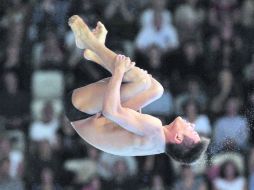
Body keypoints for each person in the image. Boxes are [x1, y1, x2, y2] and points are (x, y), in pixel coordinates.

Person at [65, 15, 210, 164]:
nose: (192, 125)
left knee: (141, 82)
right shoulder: (158, 144)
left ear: (178, 138)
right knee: (155, 89)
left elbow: (111, 111)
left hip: (82, 112)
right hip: (92, 116)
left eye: (193, 131)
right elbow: (120, 123)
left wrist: (119, 72)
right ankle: (96, 54)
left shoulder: (154, 129)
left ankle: (91, 43)